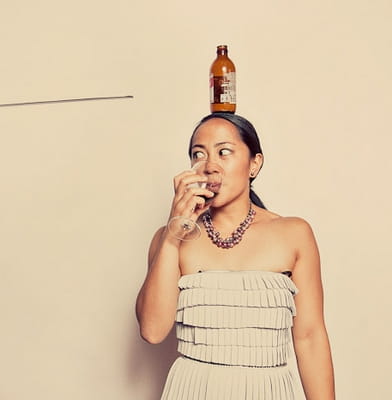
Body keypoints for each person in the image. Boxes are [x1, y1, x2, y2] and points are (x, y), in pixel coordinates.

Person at [135, 113, 335, 399]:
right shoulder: (170, 238)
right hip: (193, 390)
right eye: (198, 154)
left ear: (254, 164)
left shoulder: (293, 233)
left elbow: (310, 337)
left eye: (224, 152)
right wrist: (174, 231)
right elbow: (152, 331)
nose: (210, 166)